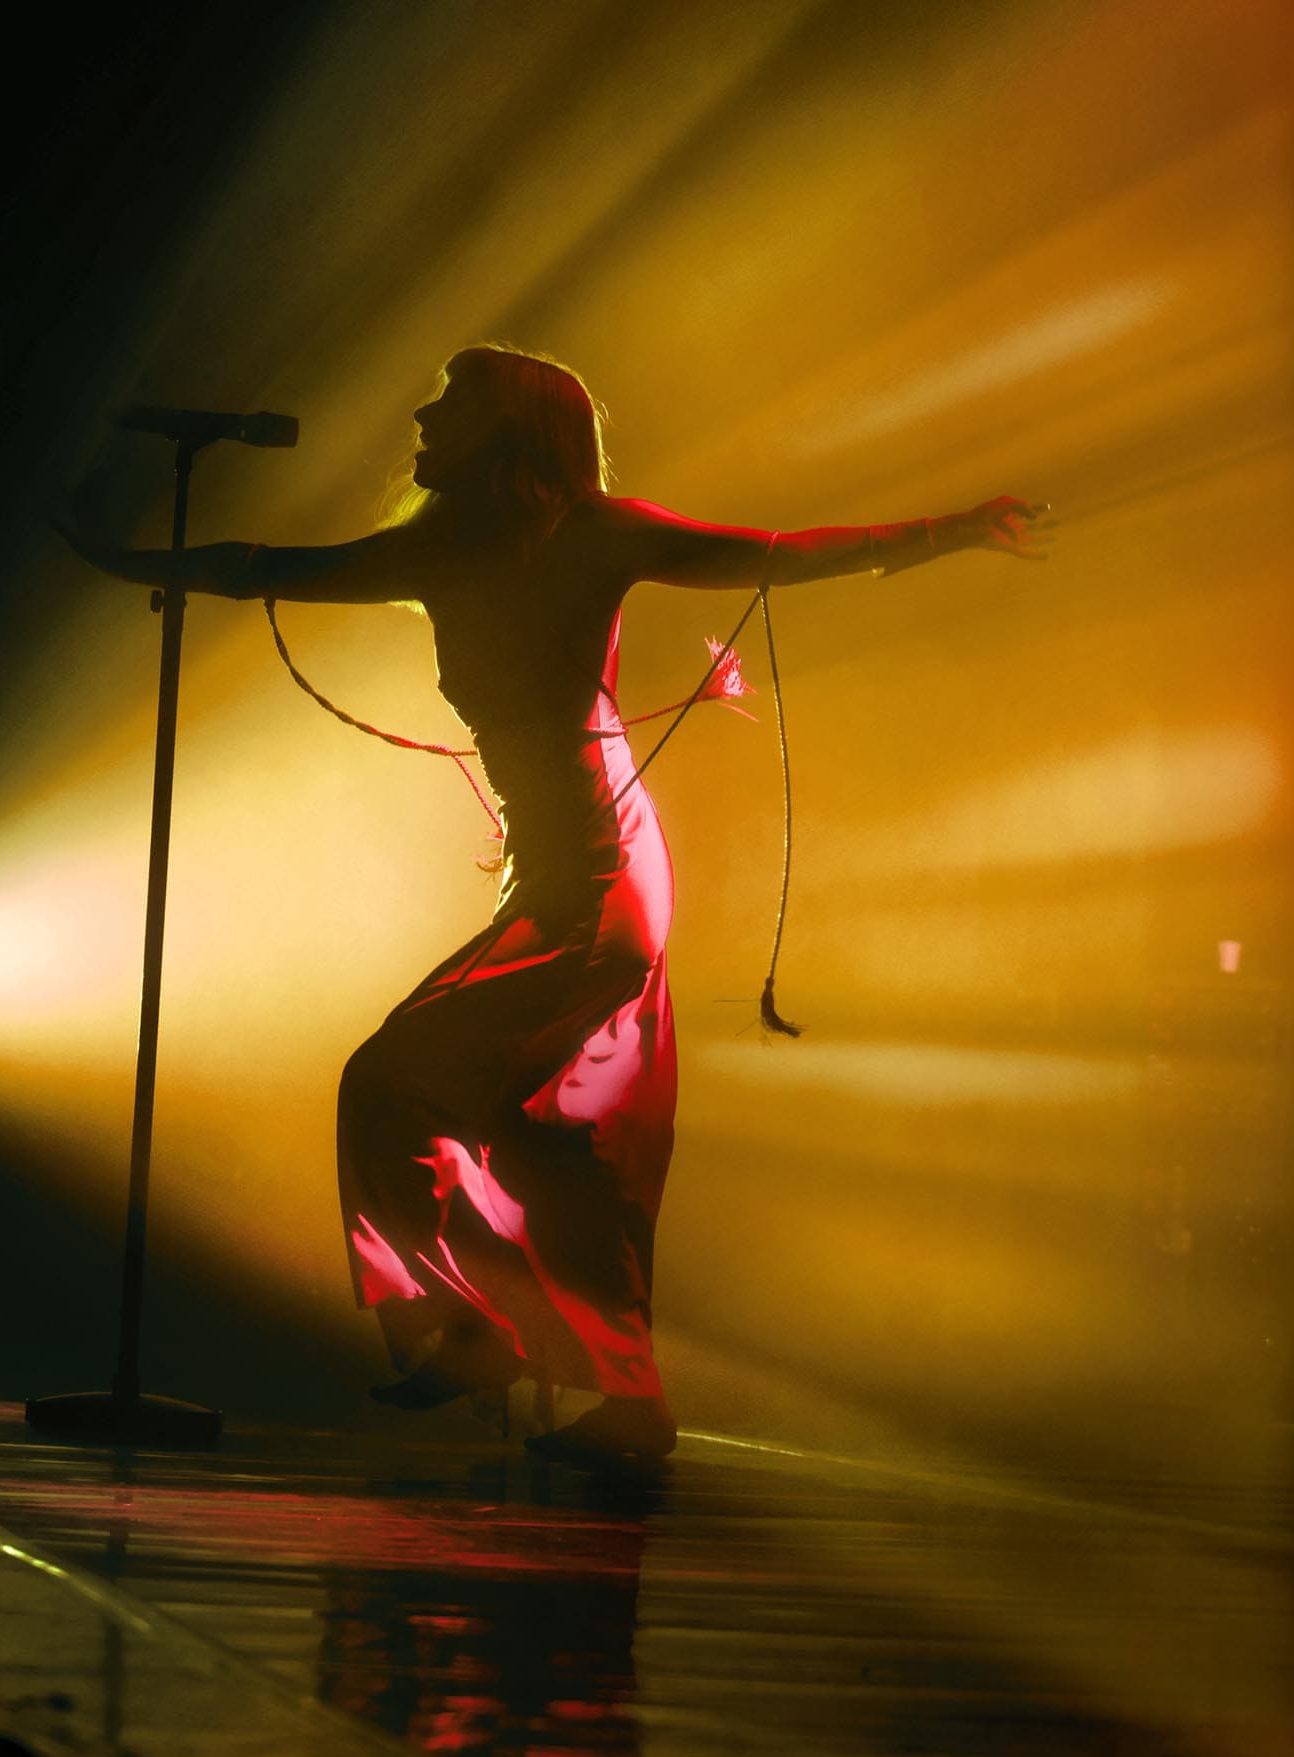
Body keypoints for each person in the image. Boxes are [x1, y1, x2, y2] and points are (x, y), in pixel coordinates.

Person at [58, 344, 1049, 1467]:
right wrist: (128, 560)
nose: (423, 416)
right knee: (552, 1147)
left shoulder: (594, 534)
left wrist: (955, 528)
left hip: (602, 869)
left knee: (391, 1080)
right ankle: (627, 1405)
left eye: (452, 399)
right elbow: (266, 566)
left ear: (512, 428)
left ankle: (477, 1332)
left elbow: (776, 556)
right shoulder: (437, 548)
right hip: (553, 866)